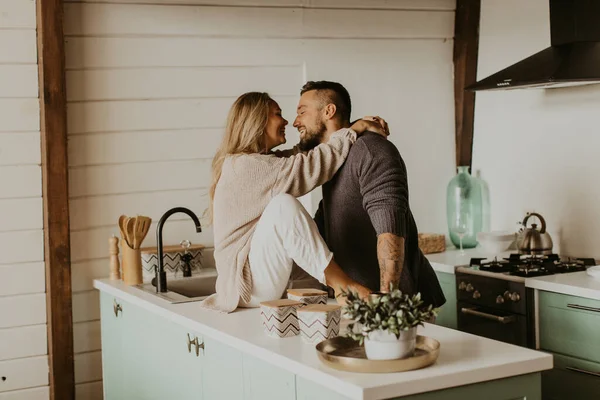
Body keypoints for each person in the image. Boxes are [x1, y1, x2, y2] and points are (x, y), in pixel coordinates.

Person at [201, 92, 387, 313]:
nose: (287, 121)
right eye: (277, 114)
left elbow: (299, 155)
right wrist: (354, 130)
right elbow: (310, 164)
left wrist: (352, 126)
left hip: (251, 283)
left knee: (282, 208)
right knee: (282, 206)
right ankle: (342, 285)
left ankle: (337, 283)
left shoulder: (250, 162)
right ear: (257, 121)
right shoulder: (245, 166)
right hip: (248, 286)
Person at [293, 81, 446, 309]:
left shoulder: (371, 150)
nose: (296, 122)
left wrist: (386, 302)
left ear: (329, 111)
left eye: (302, 112)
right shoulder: (332, 162)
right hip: (362, 305)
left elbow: (390, 229)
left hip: (400, 306)